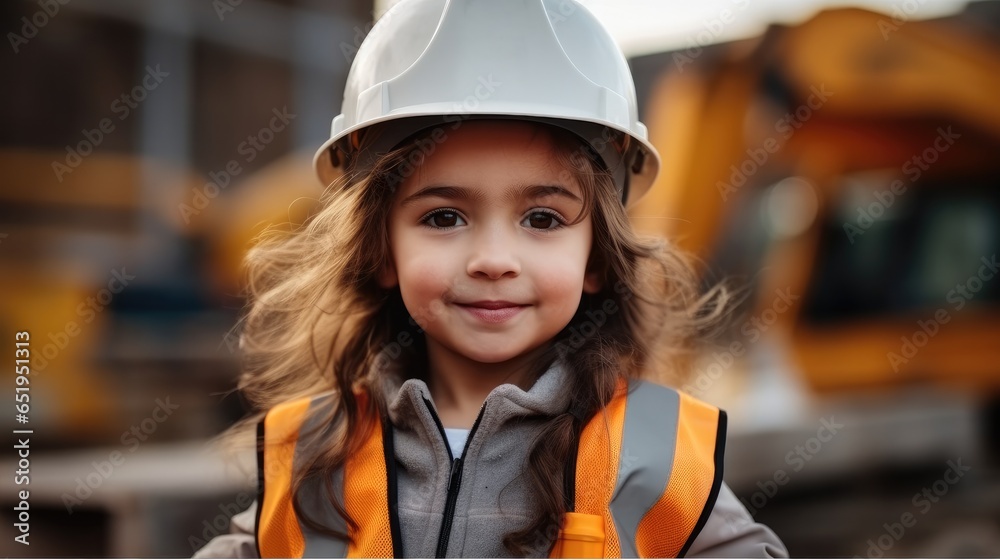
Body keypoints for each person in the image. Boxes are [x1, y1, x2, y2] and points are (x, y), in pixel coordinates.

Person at [195, 0, 788, 557]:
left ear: (598, 260)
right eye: (444, 217)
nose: (494, 259)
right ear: (381, 251)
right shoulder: (315, 452)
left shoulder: (659, 453)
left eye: (542, 218)